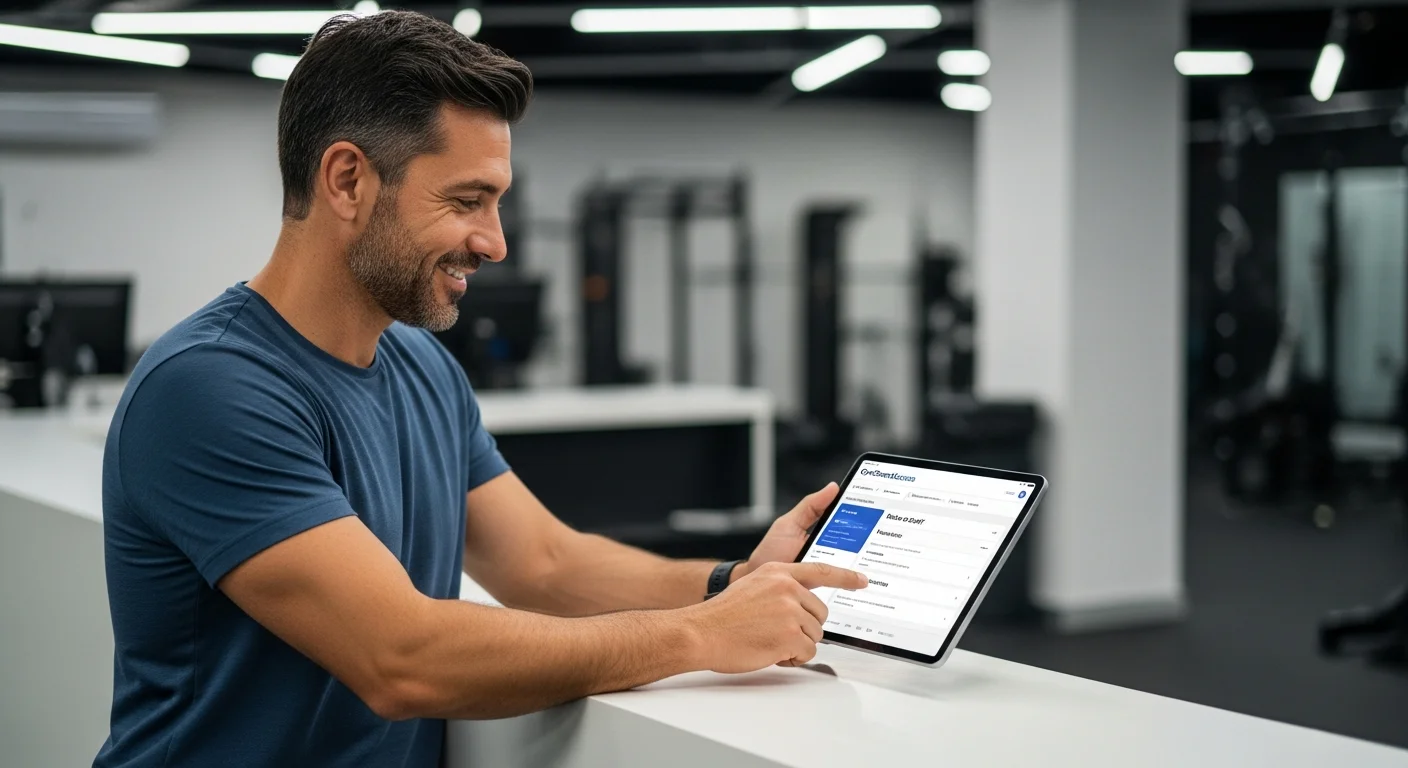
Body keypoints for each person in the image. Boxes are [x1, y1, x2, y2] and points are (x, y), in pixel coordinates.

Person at [94, 10, 866, 767]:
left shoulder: (423, 367)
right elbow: (403, 658)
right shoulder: (209, 388)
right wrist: (699, 634)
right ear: (348, 180)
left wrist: (732, 584)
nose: (495, 242)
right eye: (466, 201)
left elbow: (542, 565)